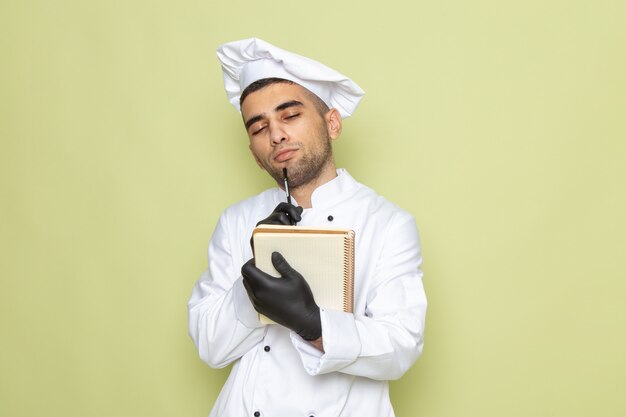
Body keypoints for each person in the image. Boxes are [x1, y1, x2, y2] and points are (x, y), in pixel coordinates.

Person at [188, 38, 427, 417]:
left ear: (332, 123)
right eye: (258, 127)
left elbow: (401, 346)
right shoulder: (236, 221)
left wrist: (312, 323)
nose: (276, 135)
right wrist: (252, 281)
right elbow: (210, 347)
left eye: (290, 115)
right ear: (253, 151)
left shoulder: (387, 224)